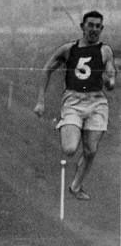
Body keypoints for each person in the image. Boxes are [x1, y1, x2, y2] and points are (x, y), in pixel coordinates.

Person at [34, 11, 116, 200]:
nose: (94, 29)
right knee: (70, 149)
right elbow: (47, 69)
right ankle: (70, 124)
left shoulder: (105, 51)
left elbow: (111, 81)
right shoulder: (68, 49)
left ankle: (76, 186)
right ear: (82, 27)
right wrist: (40, 101)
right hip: (73, 100)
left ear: (101, 29)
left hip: (97, 102)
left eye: (98, 26)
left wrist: (110, 80)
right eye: (90, 25)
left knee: (91, 150)